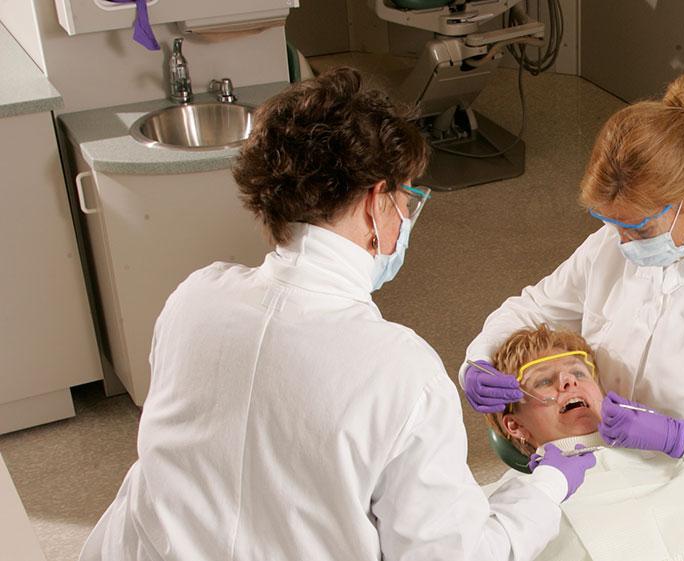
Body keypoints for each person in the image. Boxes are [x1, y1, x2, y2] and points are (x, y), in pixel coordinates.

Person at [80, 68, 594, 561]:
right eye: (407, 200)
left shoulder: (194, 298)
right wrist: (545, 487)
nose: (407, 218)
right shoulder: (399, 369)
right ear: (377, 204)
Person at [460, 71, 684, 540]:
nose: (623, 242)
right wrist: (478, 358)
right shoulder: (610, 246)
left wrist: (682, 437)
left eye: (639, 229)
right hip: (630, 462)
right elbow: (533, 307)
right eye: (611, 223)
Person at [483, 325, 684, 561]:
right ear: (514, 425)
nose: (569, 382)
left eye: (578, 372)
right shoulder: (507, 506)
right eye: (544, 381)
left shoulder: (680, 460)